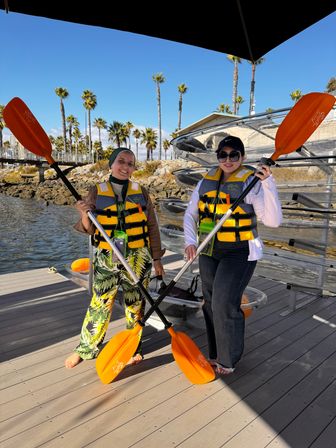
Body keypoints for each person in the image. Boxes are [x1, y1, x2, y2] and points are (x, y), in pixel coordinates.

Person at [183, 135, 282, 375]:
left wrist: (268, 184)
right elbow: (190, 215)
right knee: (209, 302)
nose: (228, 160)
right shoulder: (205, 182)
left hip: (239, 251)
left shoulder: (252, 182)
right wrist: (190, 242)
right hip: (209, 248)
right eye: (223, 155)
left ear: (242, 157)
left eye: (234, 155)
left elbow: (273, 221)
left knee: (224, 302)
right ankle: (216, 352)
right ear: (217, 157)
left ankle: (228, 359)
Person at [65, 147, 165, 368]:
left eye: (130, 163)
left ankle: (133, 347)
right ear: (111, 164)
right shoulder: (97, 191)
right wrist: (83, 212)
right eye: (121, 161)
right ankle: (86, 347)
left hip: (138, 257)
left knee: (135, 304)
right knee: (100, 302)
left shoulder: (142, 192)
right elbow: (89, 229)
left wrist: (157, 259)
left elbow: (152, 227)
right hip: (108, 256)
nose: (126, 167)